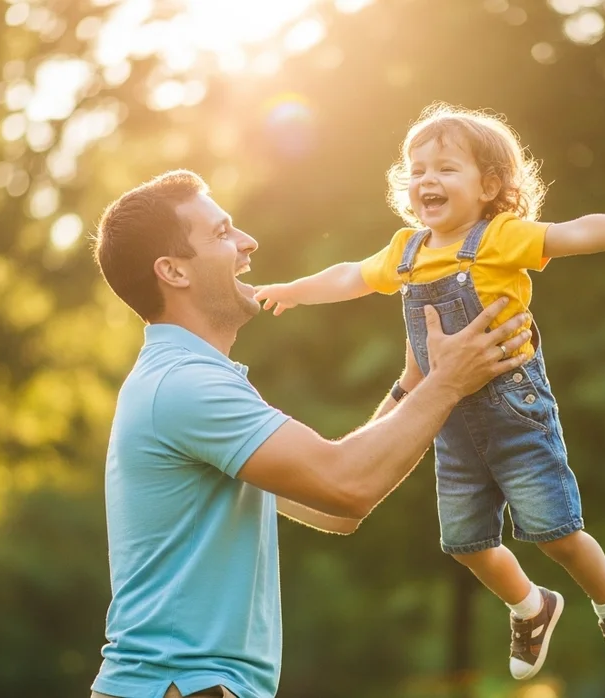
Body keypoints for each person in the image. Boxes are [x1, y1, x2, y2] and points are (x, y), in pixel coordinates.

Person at [253, 103, 605, 684]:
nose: (427, 180)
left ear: (489, 184)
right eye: (417, 169)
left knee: (558, 535)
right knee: (466, 543)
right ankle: (531, 606)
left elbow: (579, 232)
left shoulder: (501, 238)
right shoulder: (406, 251)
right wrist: (292, 289)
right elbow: (348, 274)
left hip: (515, 413)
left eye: (445, 168)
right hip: (448, 423)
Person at [88, 169, 532, 698]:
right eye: (222, 233)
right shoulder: (185, 385)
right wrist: (449, 381)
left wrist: (414, 385)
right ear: (173, 271)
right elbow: (345, 483)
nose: (248, 242)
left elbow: (335, 509)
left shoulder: (186, 379)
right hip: (182, 687)